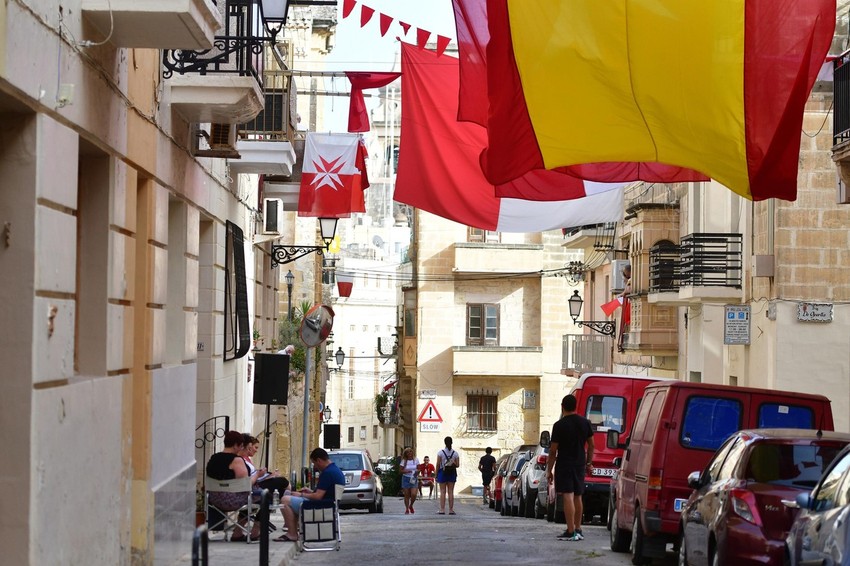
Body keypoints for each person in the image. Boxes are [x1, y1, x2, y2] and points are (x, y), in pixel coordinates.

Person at [545, 394, 595, 542]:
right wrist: (588, 463)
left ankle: (570, 530)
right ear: (575, 406)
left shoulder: (559, 425)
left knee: (568, 495)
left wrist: (549, 470)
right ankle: (578, 528)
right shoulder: (585, 423)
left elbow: (553, 450)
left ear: (562, 407)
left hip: (565, 463)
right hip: (580, 463)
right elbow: (591, 445)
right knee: (578, 495)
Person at [277, 448, 345, 542]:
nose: (316, 467)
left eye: (314, 463)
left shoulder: (327, 473)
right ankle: (296, 529)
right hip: (329, 505)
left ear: (319, 460)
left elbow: (318, 497)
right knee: (290, 497)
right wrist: (310, 492)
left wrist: (301, 495)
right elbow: (323, 493)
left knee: (285, 500)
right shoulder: (335, 470)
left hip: (321, 507)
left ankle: (292, 533)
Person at [205, 430, 261, 542]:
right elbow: (247, 484)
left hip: (214, 500)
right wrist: (258, 475)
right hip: (233, 501)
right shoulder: (237, 460)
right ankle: (252, 533)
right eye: (240, 446)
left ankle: (237, 532)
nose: (241, 449)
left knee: (253, 495)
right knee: (265, 497)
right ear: (236, 445)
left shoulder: (213, 458)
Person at [238, 434, 290, 500]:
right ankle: (291, 499)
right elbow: (249, 480)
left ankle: (290, 500)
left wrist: (265, 475)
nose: (250, 450)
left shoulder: (244, 460)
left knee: (281, 490)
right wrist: (264, 476)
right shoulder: (240, 461)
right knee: (282, 481)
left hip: (255, 483)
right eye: (249, 448)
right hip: (254, 486)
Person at [436, 436, 460, 515]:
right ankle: (451, 509)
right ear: (452, 442)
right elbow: (457, 465)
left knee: (442, 492)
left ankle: (442, 509)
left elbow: (438, 464)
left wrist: (436, 475)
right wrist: (452, 463)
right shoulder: (455, 453)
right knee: (451, 492)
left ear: (445, 443)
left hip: (443, 472)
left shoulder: (440, 453)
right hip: (452, 473)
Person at [399, 447, 420, 514]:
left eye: (410, 451)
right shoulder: (404, 461)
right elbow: (400, 470)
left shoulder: (416, 460)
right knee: (407, 495)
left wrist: (417, 472)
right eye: (408, 452)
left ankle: (411, 505)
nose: (409, 453)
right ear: (406, 454)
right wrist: (407, 471)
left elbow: (419, 469)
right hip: (406, 478)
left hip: (413, 477)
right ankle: (407, 508)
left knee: (414, 494)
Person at [617, 263, 632, 353]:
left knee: (628, 318)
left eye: (626, 273)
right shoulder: (630, 280)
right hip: (629, 303)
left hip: (631, 304)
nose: (625, 275)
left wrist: (623, 294)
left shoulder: (632, 279)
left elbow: (629, 289)